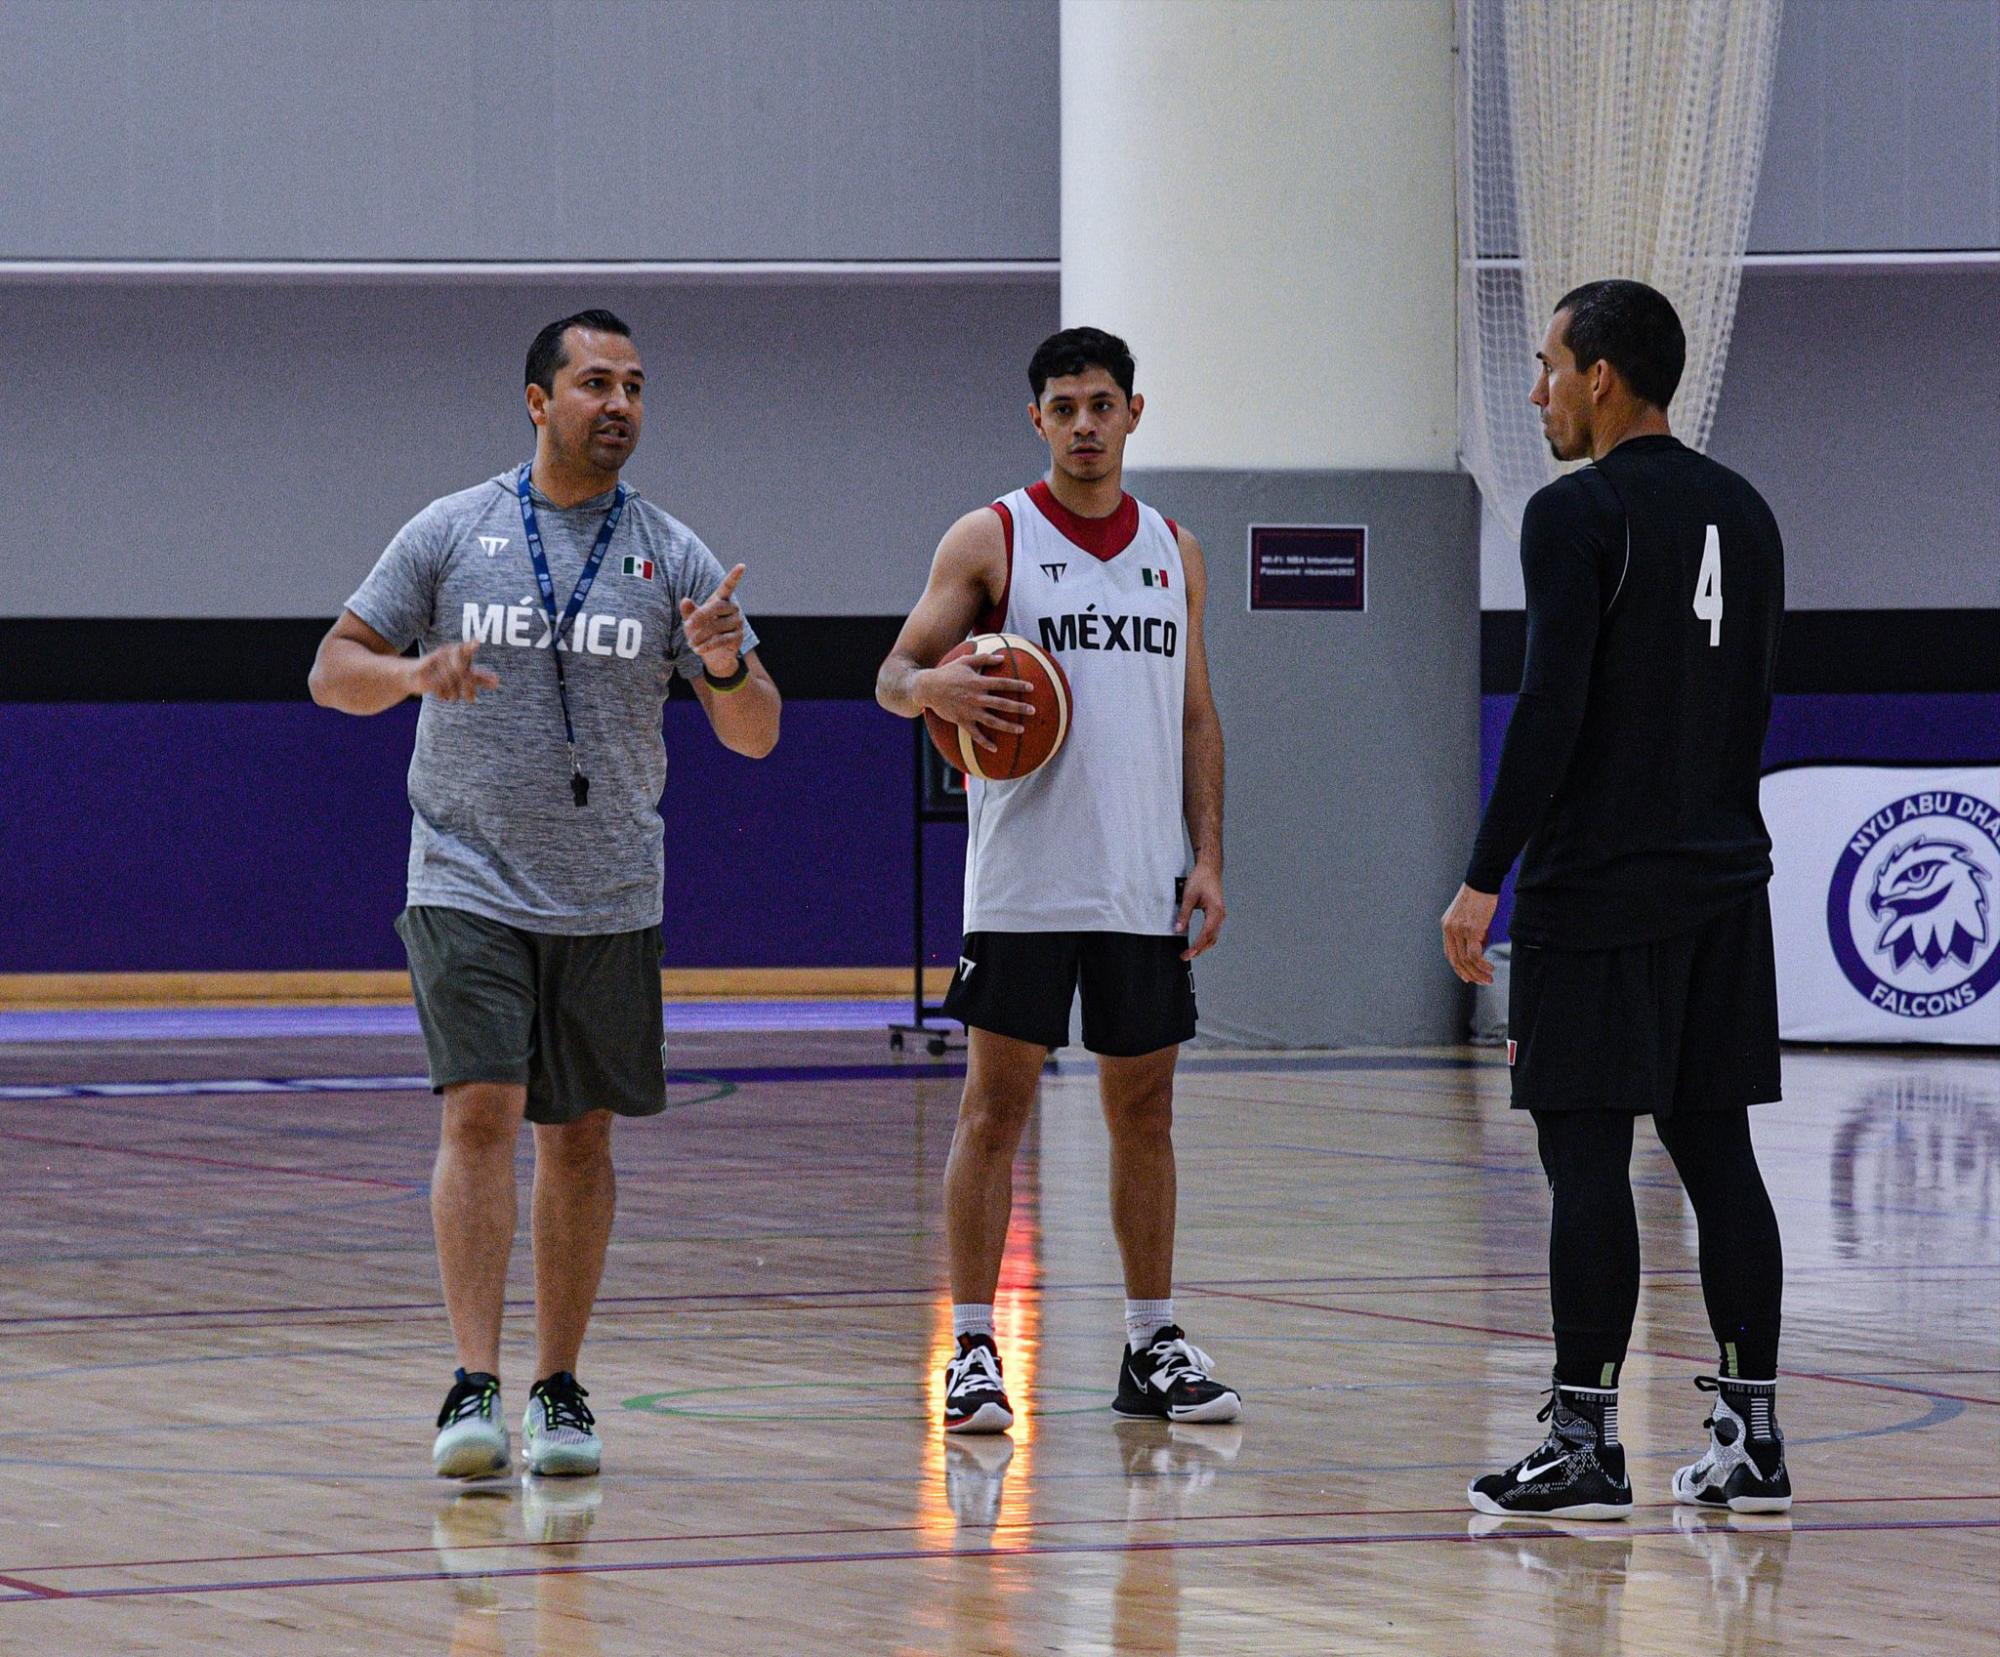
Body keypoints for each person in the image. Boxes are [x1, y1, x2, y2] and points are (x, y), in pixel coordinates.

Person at [309, 308, 780, 1479]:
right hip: (464, 871)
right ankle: (472, 1382)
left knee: (577, 1137)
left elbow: (757, 734)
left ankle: (559, 1388)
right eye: (593, 383)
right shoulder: (452, 530)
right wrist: (415, 670)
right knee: (478, 1110)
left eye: (633, 386)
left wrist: (721, 659)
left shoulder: (669, 554)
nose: (616, 404)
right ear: (538, 400)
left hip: (609, 889)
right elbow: (331, 671)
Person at [1441, 280, 1791, 1519]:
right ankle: (1751, 1440)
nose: (1535, 391)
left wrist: (1486, 875)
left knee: (1584, 1161)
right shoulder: (1745, 513)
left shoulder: (1573, 510)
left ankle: (1585, 1445)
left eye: (1545, 366)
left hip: (1597, 894)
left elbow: (1550, 709)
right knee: (1719, 1156)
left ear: (1600, 375)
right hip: (1722, 888)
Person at [876, 326, 1239, 1435]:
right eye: (1063, 407)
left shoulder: (1173, 551)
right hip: (1025, 882)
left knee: (1146, 1112)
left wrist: (1209, 856)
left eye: (1101, 404)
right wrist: (937, 686)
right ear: (1036, 420)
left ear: (1134, 412)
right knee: (995, 1109)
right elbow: (892, 675)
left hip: (1141, 879)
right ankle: (975, 1346)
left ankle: (1151, 1340)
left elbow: (1192, 714)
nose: (1083, 424)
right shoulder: (990, 538)